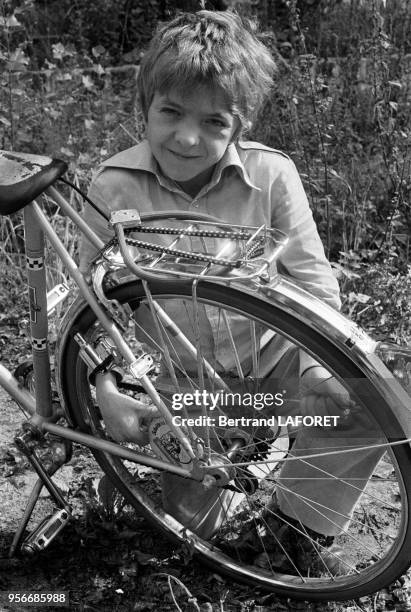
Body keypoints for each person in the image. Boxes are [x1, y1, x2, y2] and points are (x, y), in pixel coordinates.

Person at [80, 10, 380, 575]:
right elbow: (91, 306)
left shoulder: (271, 176)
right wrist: (106, 384)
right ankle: (229, 459)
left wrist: (319, 369)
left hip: (267, 362)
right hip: (179, 386)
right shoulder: (112, 187)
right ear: (144, 106)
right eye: (170, 112)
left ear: (238, 126)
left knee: (368, 394)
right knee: (199, 530)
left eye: (214, 122)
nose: (187, 137)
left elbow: (315, 286)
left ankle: (292, 531)